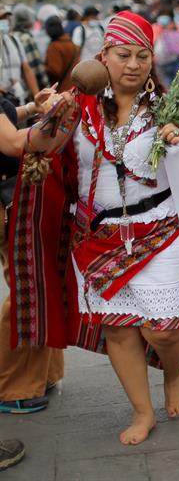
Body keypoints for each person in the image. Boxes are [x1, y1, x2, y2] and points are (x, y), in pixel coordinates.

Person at [8, 12, 179, 445]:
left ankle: (174, 375)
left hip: (160, 230)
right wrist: (51, 111)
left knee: (163, 326)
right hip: (96, 237)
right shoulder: (80, 107)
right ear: (103, 56)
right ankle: (142, 412)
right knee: (119, 328)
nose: (133, 64)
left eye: (143, 55)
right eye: (123, 55)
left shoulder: (168, 108)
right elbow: (43, 147)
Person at [0, 89, 64, 415]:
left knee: (32, 285)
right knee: (27, 290)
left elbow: (6, 118)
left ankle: (41, 376)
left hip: (12, 192)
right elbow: (11, 143)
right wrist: (51, 123)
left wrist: (30, 108)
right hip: (7, 198)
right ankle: (13, 387)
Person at [0, 6, 40, 104]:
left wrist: (37, 96)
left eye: (5, 18)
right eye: (0, 19)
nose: (4, 21)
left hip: (18, 99)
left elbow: (26, 69)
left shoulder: (14, 40)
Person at [11, 5, 50, 90]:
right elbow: (36, 67)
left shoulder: (12, 36)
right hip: (32, 88)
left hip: (19, 87)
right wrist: (45, 85)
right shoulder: (27, 38)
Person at [44, 15, 80, 90]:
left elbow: (55, 70)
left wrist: (43, 68)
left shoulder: (54, 46)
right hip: (74, 88)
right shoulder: (72, 44)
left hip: (61, 90)